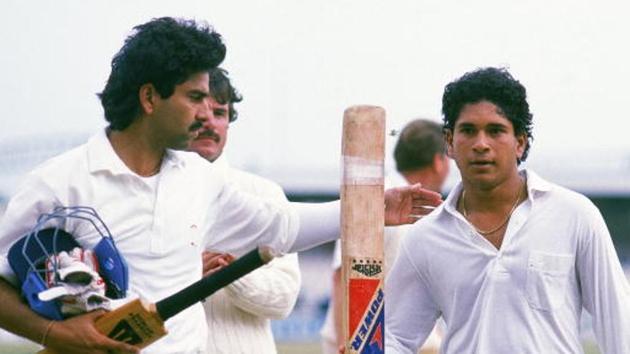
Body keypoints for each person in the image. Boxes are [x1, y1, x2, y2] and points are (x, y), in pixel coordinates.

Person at [0, 17, 441, 354]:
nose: (204, 113)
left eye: (212, 103)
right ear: (149, 97)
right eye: (194, 98)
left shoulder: (199, 180)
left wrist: (370, 209)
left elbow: (282, 226)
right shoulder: (60, 183)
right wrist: (55, 332)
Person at [386, 67, 630, 353]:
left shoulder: (574, 215)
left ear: (520, 142)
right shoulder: (425, 237)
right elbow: (394, 338)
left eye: (495, 130)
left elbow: (618, 326)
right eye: (468, 130)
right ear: (450, 143)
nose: (481, 144)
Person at [188, 68, 301, 354]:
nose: (209, 123)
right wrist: (188, 275)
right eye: (200, 111)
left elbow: (284, 299)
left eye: (220, 113)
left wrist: (229, 274)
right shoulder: (150, 193)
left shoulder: (265, 193)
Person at [320, 119, 450, 354]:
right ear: (438, 162)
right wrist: (349, 346)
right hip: (368, 346)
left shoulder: (425, 210)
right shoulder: (378, 198)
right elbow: (343, 276)